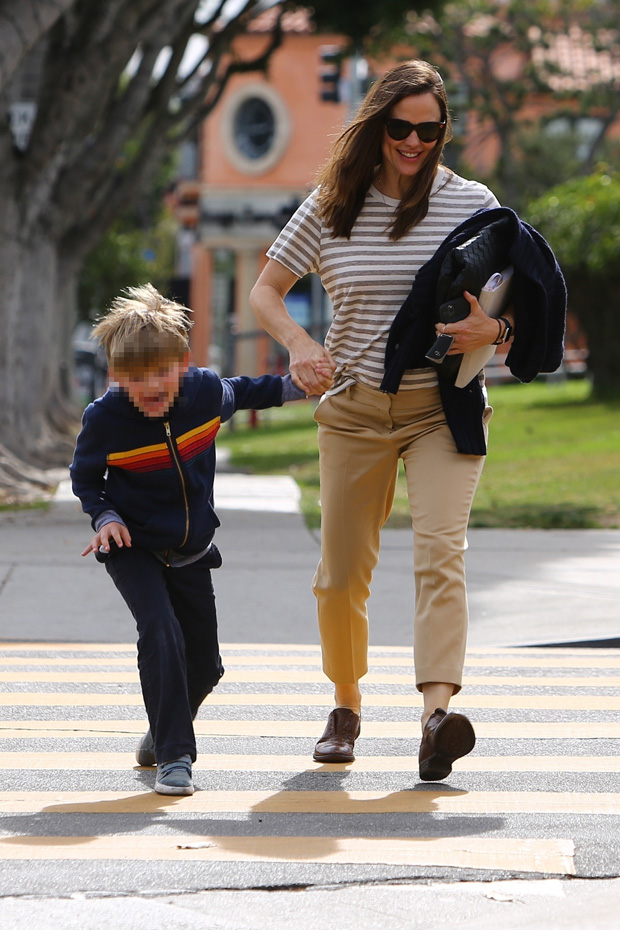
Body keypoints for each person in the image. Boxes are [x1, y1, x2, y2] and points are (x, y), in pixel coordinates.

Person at [249, 59, 519, 782]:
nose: (415, 142)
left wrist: (492, 334)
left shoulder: (472, 203)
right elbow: (267, 291)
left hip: (443, 407)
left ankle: (437, 717)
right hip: (355, 409)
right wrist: (302, 346)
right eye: (401, 128)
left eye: (429, 131)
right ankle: (345, 704)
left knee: (441, 554)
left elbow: (513, 310)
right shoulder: (333, 204)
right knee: (341, 576)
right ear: (377, 125)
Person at [70, 283, 305, 795]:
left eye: (161, 374)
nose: (150, 388)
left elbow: (246, 391)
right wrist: (103, 516)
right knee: (161, 634)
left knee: (206, 666)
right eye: (135, 380)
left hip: (193, 548)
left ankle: (161, 729)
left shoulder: (203, 392)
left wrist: (302, 385)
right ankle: (176, 757)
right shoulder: (105, 419)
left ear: (182, 363)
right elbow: (86, 480)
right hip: (132, 547)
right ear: (117, 378)